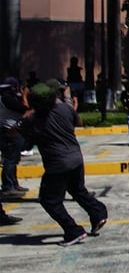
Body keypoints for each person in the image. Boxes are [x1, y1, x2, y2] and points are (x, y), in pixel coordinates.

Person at [18, 83, 107, 247]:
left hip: (57, 164)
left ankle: (73, 230)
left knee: (49, 200)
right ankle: (98, 212)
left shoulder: (33, 119)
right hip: (76, 158)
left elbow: (19, 129)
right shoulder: (65, 109)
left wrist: (25, 103)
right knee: (78, 190)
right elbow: (78, 121)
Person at [0, 77, 30, 198]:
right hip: (11, 132)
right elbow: (26, 109)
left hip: (8, 131)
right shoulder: (8, 99)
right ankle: (8, 187)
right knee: (10, 160)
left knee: (13, 159)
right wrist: (25, 96)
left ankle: (13, 183)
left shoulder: (4, 98)